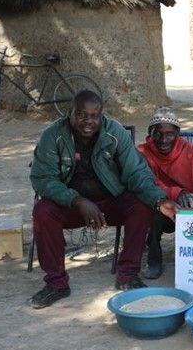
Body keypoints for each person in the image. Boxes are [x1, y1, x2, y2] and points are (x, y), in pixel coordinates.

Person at [29, 90, 178, 309]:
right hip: (72, 205)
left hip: (110, 202)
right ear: (69, 113)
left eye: (94, 115)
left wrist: (159, 200)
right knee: (42, 211)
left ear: (101, 115)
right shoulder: (53, 134)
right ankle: (56, 283)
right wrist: (78, 201)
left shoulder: (115, 132)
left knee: (141, 206)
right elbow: (42, 178)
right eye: (81, 115)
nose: (88, 121)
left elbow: (137, 173)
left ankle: (127, 275)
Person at [137, 107, 193, 279]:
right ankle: (154, 258)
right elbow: (147, 184)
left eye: (170, 134)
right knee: (153, 209)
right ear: (150, 134)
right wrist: (176, 193)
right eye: (158, 134)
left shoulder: (192, 152)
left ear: (177, 134)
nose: (164, 140)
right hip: (161, 205)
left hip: (190, 206)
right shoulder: (141, 153)